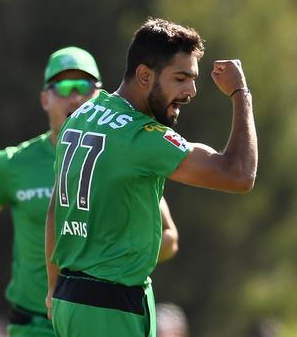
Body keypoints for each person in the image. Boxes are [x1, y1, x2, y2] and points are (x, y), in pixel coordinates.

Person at [46, 17, 257, 337]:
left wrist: (52, 290)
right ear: (144, 75)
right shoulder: (142, 137)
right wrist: (241, 93)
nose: (191, 91)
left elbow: (55, 213)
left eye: (193, 78)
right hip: (108, 307)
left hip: (73, 297)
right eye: (181, 78)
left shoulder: (81, 116)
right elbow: (239, 175)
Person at [0, 47, 180, 337]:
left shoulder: (122, 152)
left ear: (100, 95)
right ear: (45, 99)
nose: (75, 97)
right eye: (63, 87)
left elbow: (169, 238)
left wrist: (109, 250)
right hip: (35, 324)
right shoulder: (15, 163)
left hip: (101, 318)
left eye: (85, 86)